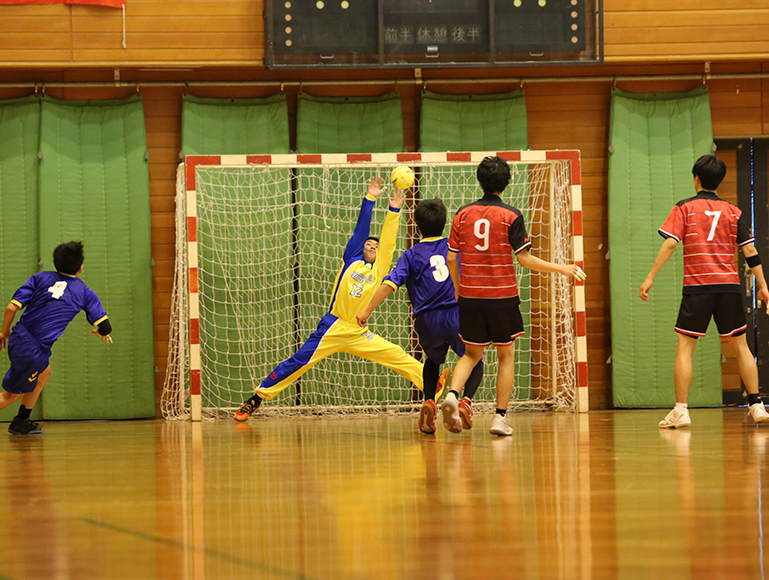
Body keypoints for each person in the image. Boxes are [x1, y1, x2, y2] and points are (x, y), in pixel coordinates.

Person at [235, 177, 446, 421]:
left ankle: (433, 388)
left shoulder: (380, 269)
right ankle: (257, 398)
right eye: (368, 243)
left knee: (397, 355)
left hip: (358, 331)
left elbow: (388, 241)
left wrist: (394, 210)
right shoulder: (352, 260)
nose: (372, 245)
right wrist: (370, 199)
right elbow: (360, 230)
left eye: (375, 245)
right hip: (333, 326)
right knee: (297, 362)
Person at [445, 156, 586, 436]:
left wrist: (460, 290)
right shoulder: (511, 215)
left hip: (471, 296)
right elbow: (524, 259)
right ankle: (499, 418)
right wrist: (562, 268)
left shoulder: (462, 213)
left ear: (479, 181)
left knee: (472, 353)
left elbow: (451, 258)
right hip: (502, 297)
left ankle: (451, 394)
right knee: (506, 356)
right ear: (506, 183)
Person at [640, 154, 769, 428]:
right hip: (729, 288)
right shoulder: (734, 212)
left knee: (685, 348)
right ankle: (756, 404)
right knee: (740, 346)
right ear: (718, 181)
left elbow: (670, 244)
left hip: (698, 287)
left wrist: (650, 277)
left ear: (696, 178)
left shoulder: (684, 208)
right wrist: (764, 286)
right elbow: (750, 251)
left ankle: (681, 410)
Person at [0, 241, 113, 438]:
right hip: (33, 349)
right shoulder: (85, 292)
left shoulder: (40, 278)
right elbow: (104, 325)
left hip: (20, 336)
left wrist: (4, 332)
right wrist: (103, 332)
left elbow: (11, 308)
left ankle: (22, 421)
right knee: (10, 395)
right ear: (80, 268)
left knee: (44, 373)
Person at [357, 198, 483, 434]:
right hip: (457, 314)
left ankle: (428, 402)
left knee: (432, 361)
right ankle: (465, 402)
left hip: (426, 320)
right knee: (475, 358)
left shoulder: (411, 255)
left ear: (416, 227)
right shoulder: (454, 247)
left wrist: (366, 311)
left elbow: (388, 284)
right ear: (445, 223)